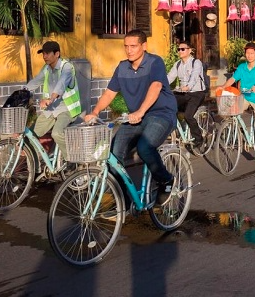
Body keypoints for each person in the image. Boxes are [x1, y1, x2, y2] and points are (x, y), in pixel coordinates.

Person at [83, 30, 178, 204]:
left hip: (161, 114)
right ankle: (123, 198)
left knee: (145, 148)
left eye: (133, 46)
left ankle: (165, 180)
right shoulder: (122, 67)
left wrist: (141, 111)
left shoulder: (154, 62)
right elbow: (110, 93)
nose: (129, 50)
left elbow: (156, 86)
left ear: (143, 46)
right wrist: (95, 112)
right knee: (113, 153)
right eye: (126, 46)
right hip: (135, 117)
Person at [24, 41, 83, 161]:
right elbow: (36, 82)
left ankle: (73, 159)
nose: (44, 56)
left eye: (47, 53)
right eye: (43, 54)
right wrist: (21, 92)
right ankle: (34, 162)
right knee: (31, 135)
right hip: (51, 109)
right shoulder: (46, 69)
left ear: (57, 54)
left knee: (56, 133)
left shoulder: (67, 67)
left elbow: (61, 85)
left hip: (67, 109)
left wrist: (50, 99)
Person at [222, 42, 255, 161]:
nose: (249, 55)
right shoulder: (241, 67)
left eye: (252, 53)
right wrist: (223, 87)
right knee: (231, 112)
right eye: (247, 53)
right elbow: (233, 78)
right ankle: (240, 134)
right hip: (245, 96)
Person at [166, 41, 207, 146]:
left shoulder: (196, 63)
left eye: (183, 49)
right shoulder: (178, 64)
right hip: (183, 92)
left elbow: (194, 77)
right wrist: (158, 85)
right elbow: (170, 77)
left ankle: (199, 138)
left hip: (197, 93)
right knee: (168, 105)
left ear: (189, 51)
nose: (180, 51)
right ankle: (174, 130)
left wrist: (188, 86)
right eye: (179, 49)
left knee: (188, 115)